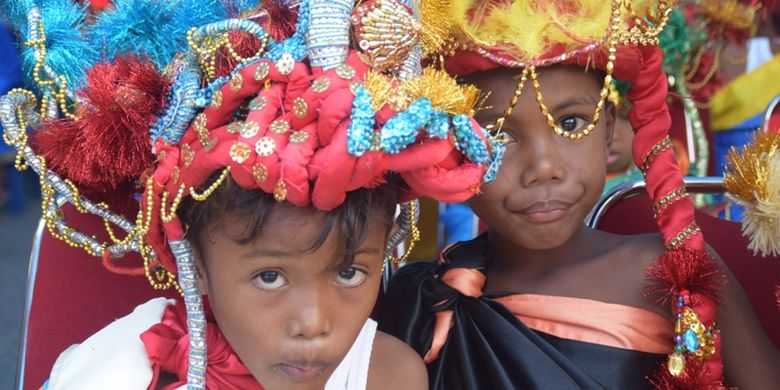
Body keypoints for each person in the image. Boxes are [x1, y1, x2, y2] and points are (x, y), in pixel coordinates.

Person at [1, 0, 501, 388]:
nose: (313, 324)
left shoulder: (387, 377)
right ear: (193, 264)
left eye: (350, 272)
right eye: (268, 276)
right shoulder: (113, 375)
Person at [379, 1, 780, 388]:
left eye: (571, 123)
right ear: (448, 150)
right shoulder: (423, 299)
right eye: (498, 135)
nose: (544, 169)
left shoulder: (673, 270)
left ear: (608, 127)